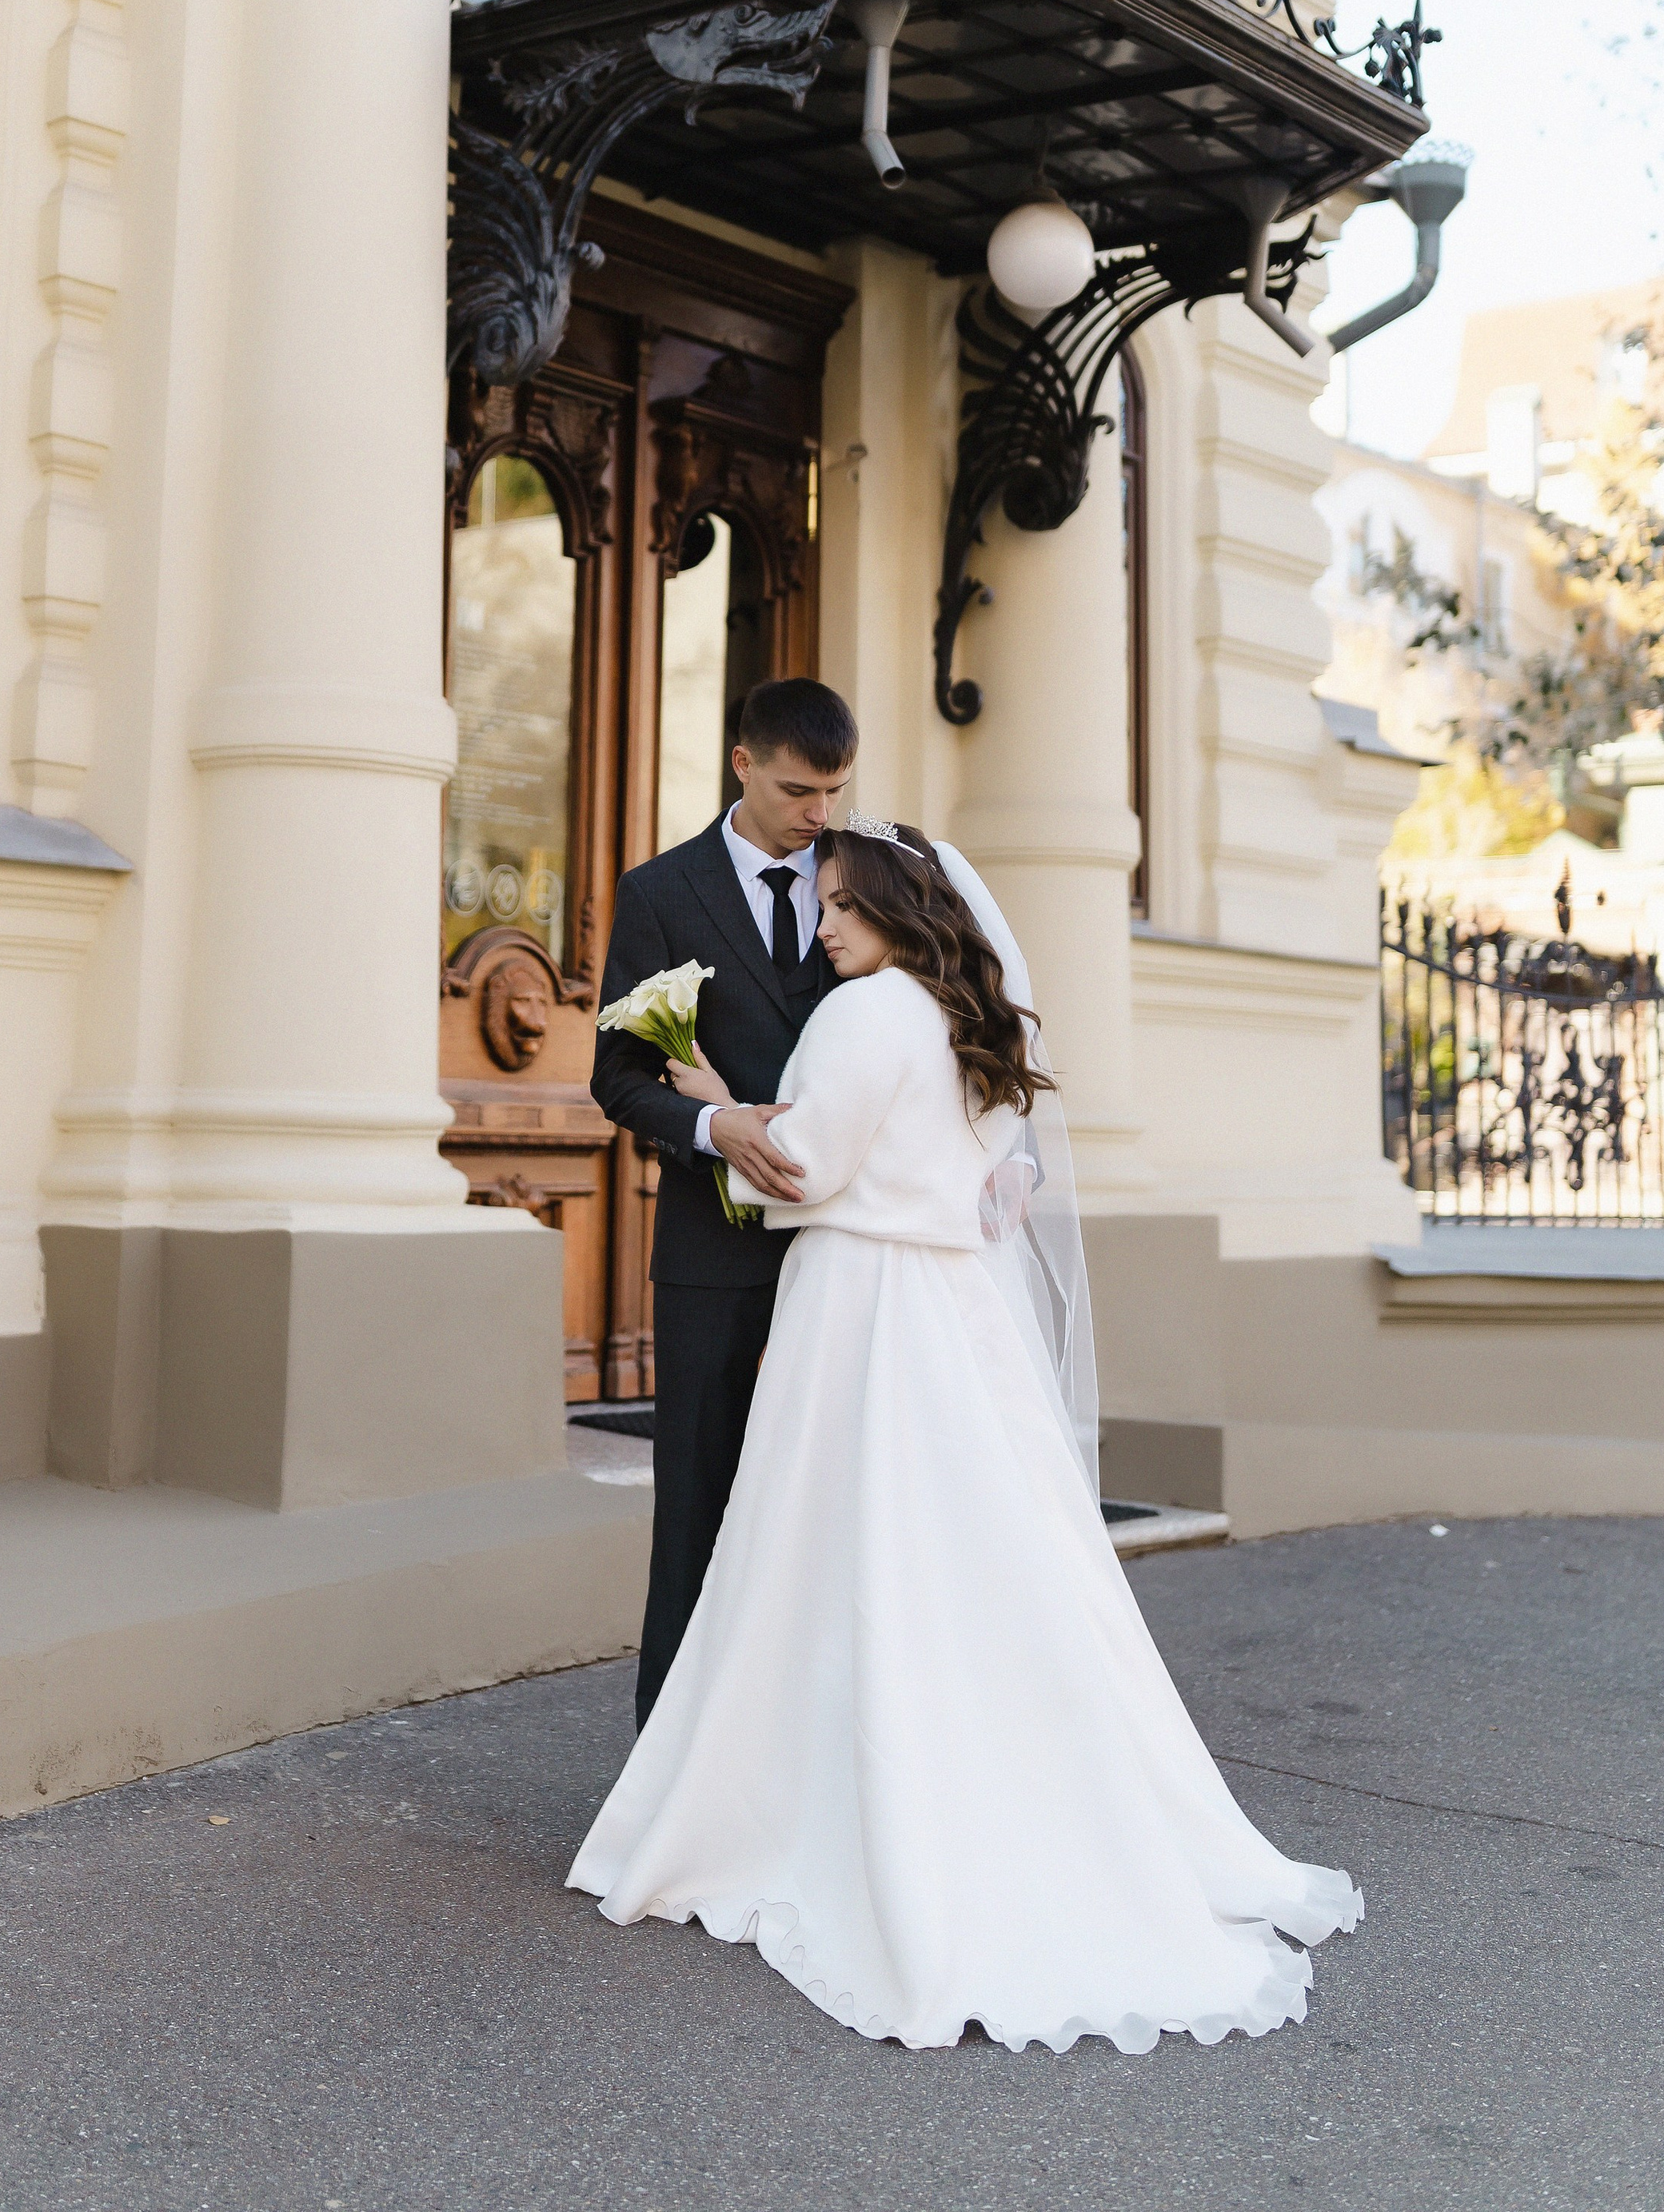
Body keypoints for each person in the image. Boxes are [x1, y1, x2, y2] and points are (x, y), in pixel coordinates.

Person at [570, 819, 1363, 2055]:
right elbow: (975, 1167)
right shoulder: (966, 1020)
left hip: (861, 1311)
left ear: (890, 905)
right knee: (976, 1556)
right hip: (950, 1309)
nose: (821, 924)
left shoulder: (859, 1014)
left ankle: (786, 1797)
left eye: (840, 904)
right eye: (821, 902)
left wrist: (723, 1112)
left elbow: (809, 1172)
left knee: (824, 1550)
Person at [589, 676, 856, 1726]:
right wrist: (717, 1128)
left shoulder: (861, 882)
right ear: (742, 764)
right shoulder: (660, 893)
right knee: (696, 1515)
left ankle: (794, 1761)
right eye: (799, 789)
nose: (819, 814)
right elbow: (617, 1079)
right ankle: (666, 1780)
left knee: (814, 1517)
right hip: (708, 1259)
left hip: (837, 1255)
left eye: (835, 791)